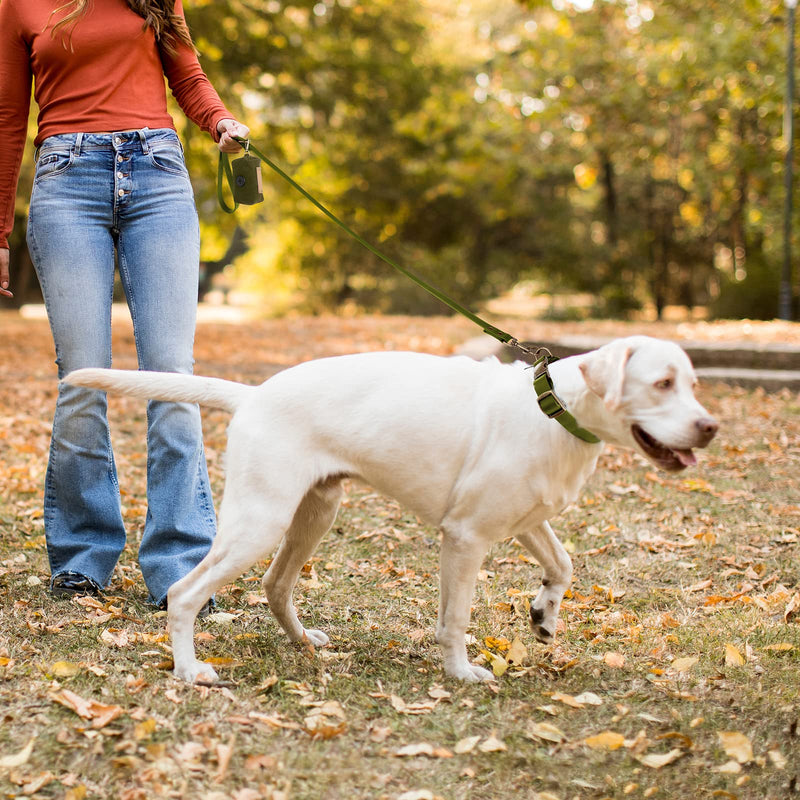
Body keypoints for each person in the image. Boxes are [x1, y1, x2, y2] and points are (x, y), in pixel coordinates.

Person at [0, 0, 249, 605]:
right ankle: (83, 555)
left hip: (157, 175)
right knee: (82, 378)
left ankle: (182, 562)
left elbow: (186, 74)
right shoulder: (18, 4)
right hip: (67, 180)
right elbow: (9, 118)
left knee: (173, 376)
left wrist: (219, 122)